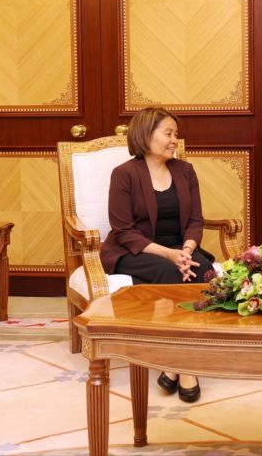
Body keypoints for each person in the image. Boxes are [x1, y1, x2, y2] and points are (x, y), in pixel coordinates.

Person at [101, 107, 214, 403]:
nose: (175, 140)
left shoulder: (185, 171)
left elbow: (196, 221)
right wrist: (169, 255)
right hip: (136, 249)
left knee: (203, 270)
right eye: (168, 133)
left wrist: (186, 251)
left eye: (176, 134)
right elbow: (123, 230)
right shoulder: (124, 174)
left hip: (180, 247)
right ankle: (186, 366)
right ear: (146, 135)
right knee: (170, 272)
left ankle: (172, 365)